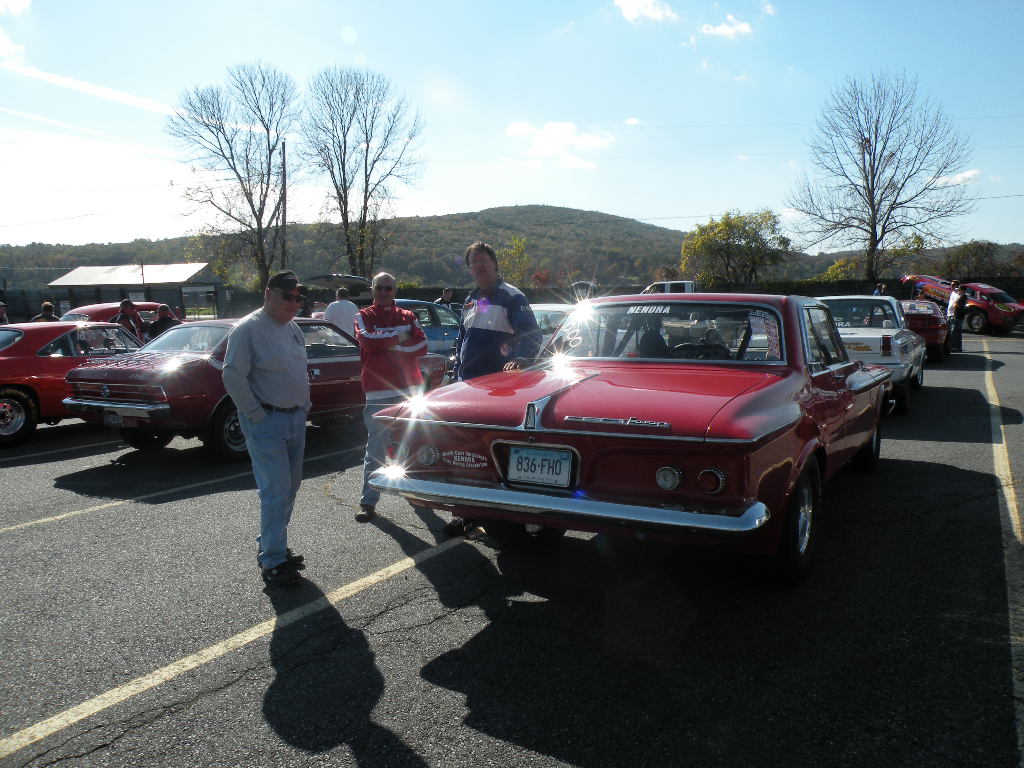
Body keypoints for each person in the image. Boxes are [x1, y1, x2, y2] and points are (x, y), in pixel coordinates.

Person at [445, 241, 542, 536]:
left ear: (495, 263)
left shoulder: (512, 296)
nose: (479, 265)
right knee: (464, 452)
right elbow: (463, 338)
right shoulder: (471, 299)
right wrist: (454, 370)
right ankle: (466, 512)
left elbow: (532, 334)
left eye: (483, 259)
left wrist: (521, 359)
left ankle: (507, 508)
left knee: (496, 451)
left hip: (499, 392)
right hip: (467, 387)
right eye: (473, 261)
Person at [222, 270, 312, 587]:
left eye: (298, 297)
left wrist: (305, 405)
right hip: (267, 421)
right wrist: (256, 414)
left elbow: (299, 370)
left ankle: (273, 543)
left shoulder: (293, 329)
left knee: (290, 486)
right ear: (268, 294)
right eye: (287, 296)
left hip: (294, 418)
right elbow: (232, 375)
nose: (294, 302)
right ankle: (272, 560)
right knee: (275, 488)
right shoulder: (248, 329)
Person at [353, 272, 427, 522]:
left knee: (411, 445)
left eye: (388, 288)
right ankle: (368, 501)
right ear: (373, 291)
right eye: (379, 288)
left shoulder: (408, 316)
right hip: (378, 393)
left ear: (395, 291)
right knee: (375, 449)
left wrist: (388, 343)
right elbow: (367, 341)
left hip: (410, 391)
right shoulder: (363, 316)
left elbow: (423, 344)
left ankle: (416, 496)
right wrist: (401, 337)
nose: (384, 292)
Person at [947, 281, 967, 352]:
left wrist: (954, 309)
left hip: (956, 315)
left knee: (954, 332)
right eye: (951, 284)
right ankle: (957, 347)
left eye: (953, 285)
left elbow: (957, 304)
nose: (951, 286)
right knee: (955, 331)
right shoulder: (953, 292)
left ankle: (953, 346)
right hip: (950, 314)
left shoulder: (960, 295)